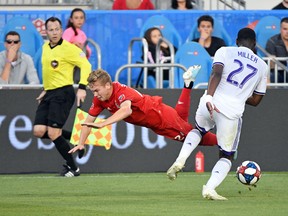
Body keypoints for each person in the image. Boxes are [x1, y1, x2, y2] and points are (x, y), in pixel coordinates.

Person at [167, 28, 268, 200]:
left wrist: (209, 96)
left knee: (198, 130)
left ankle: (180, 159)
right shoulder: (262, 66)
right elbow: (257, 100)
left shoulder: (224, 51)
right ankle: (209, 188)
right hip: (231, 113)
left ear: (237, 41)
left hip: (210, 101)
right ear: (254, 44)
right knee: (227, 155)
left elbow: (217, 73)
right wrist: (239, 95)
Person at [68, 66, 218, 155]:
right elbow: (88, 121)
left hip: (160, 117)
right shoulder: (100, 99)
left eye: (97, 90)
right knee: (182, 120)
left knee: (191, 136)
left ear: (108, 85)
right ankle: (188, 84)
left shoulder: (121, 92)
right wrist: (81, 143)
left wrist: (104, 123)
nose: (95, 95)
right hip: (155, 120)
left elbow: (126, 110)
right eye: (93, 91)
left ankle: (224, 142)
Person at [33, 17, 92, 177]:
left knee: (53, 133)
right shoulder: (45, 47)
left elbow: (86, 65)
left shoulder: (69, 48)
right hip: (50, 93)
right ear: (46, 32)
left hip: (64, 93)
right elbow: (49, 72)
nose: (54, 32)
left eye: (57, 29)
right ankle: (76, 138)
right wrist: (46, 89)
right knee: (38, 131)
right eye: (51, 29)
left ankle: (74, 168)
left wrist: (82, 87)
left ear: (61, 30)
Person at [265, 17, 288, 83]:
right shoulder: (272, 41)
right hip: (278, 73)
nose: (287, 32)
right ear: (280, 29)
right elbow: (270, 65)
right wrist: (272, 62)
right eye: (285, 29)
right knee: (272, 76)